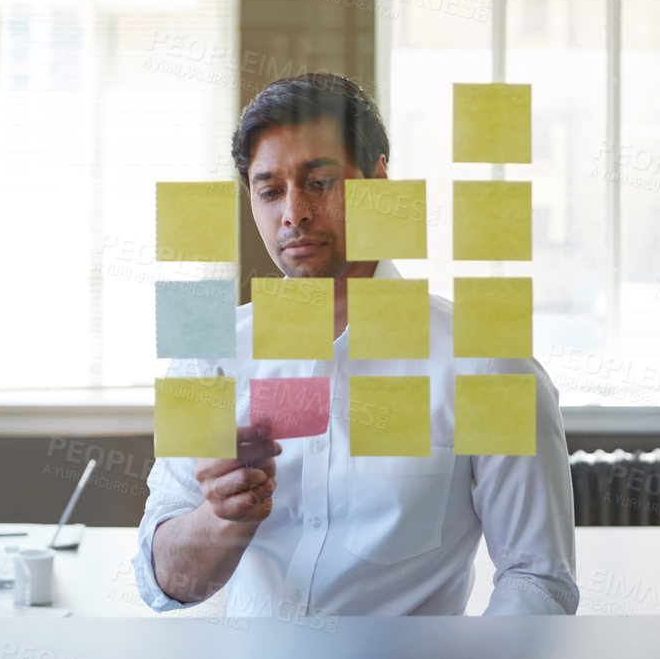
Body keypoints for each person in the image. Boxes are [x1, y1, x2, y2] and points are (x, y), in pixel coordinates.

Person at [134, 72, 578, 618]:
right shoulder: (212, 356)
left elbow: (537, 579)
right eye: (270, 191)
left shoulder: (486, 365)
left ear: (379, 181)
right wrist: (224, 517)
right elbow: (163, 582)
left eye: (319, 182)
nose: (292, 213)